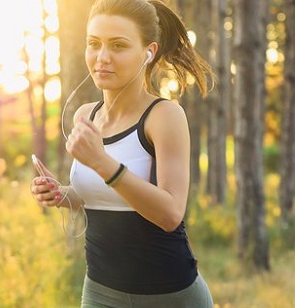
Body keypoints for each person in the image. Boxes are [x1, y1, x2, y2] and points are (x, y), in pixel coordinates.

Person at [30, 0, 214, 307]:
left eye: (118, 45)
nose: (102, 58)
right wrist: (62, 194)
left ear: (148, 52)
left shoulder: (164, 116)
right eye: (94, 44)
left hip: (170, 295)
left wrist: (102, 163)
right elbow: (101, 196)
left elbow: (170, 214)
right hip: (101, 292)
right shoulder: (86, 116)